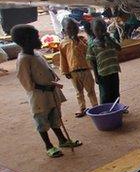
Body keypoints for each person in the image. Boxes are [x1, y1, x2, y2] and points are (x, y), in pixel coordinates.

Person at [13, 24, 82, 157]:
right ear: (27, 40)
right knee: (42, 121)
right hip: (39, 97)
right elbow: (27, 83)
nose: (39, 40)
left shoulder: (37, 54)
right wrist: (46, 87)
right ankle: (48, 146)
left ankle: (62, 140)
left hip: (51, 92)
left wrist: (53, 79)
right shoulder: (23, 60)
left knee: (55, 116)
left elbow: (47, 70)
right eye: (36, 37)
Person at [59, 18, 98, 117]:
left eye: (74, 27)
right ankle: (82, 108)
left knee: (91, 90)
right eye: (69, 28)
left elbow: (87, 51)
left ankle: (95, 106)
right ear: (64, 30)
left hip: (85, 69)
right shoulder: (63, 43)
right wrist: (65, 71)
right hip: (73, 72)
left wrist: (77, 41)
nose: (72, 30)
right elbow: (63, 58)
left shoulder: (82, 40)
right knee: (79, 92)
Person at [87, 18, 122, 104]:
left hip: (113, 70)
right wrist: (96, 76)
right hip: (102, 73)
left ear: (105, 29)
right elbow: (92, 61)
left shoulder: (110, 39)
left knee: (115, 91)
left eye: (102, 29)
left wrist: (109, 39)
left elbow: (119, 48)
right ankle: (105, 110)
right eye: (97, 30)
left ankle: (116, 108)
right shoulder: (92, 45)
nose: (100, 32)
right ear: (93, 31)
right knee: (105, 94)